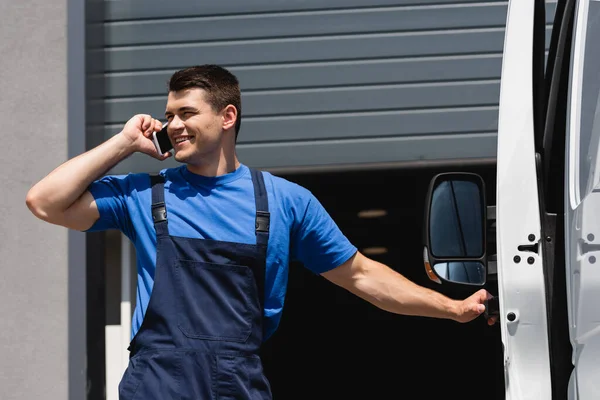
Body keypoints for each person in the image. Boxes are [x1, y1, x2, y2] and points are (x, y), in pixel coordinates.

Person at [26, 64, 496, 399]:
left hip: (239, 383)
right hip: (159, 383)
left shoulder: (283, 201)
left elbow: (362, 276)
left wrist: (451, 309)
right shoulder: (144, 194)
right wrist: (124, 141)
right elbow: (44, 202)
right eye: (169, 115)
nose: (173, 125)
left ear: (227, 117)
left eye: (186, 113)